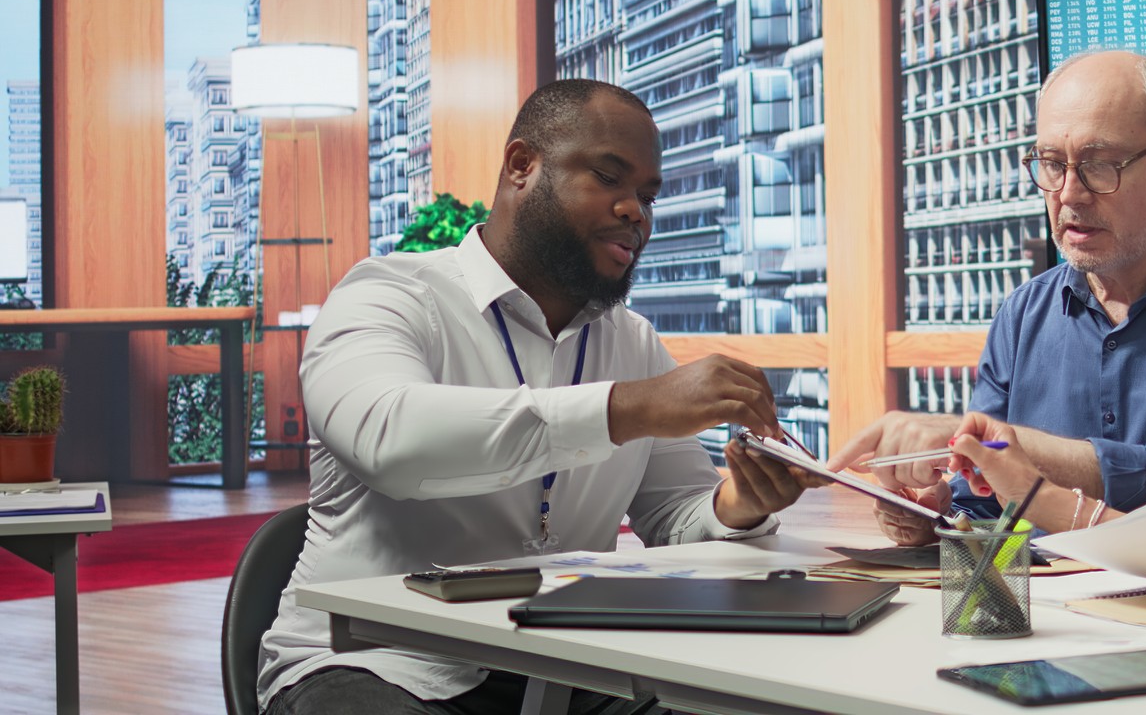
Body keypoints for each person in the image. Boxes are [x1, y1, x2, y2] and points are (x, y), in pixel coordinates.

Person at [260, 80, 825, 715]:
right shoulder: (385, 297)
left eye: (646, 195)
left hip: (570, 667)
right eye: (610, 178)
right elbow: (390, 441)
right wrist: (624, 408)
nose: (635, 211)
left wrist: (738, 504)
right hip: (379, 661)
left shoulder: (632, 341)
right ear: (521, 166)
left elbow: (677, 519)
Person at [827, 49, 1146, 544]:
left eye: (1099, 165)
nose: (1068, 194)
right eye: (1050, 164)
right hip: (1043, 617)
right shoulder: (1024, 314)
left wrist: (1004, 445)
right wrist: (935, 511)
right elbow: (983, 502)